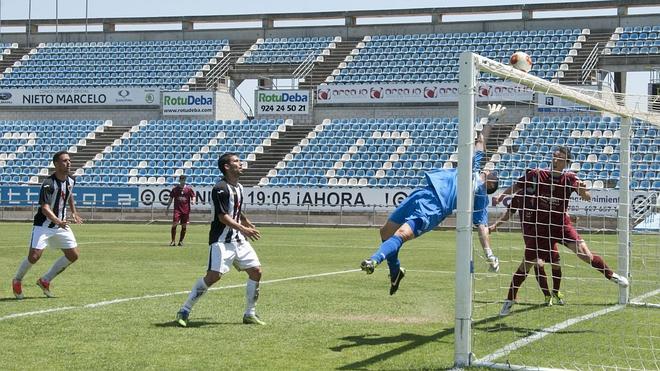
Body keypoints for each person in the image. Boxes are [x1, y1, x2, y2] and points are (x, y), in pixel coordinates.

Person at [360, 104, 504, 295]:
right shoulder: (473, 168)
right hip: (423, 193)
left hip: (435, 208)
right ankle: (395, 272)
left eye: (492, 174)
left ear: (491, 184)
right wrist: (491, 121)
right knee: (385, 232)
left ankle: (374, 260)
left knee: (401, 234)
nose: (489, 170)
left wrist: (489, 254)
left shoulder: (480, 197)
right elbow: (480, 143)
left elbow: (482, 226)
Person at [495, 146, 629, 316]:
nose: (554, 158)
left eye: (559, 157)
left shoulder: (570, 178)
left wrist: (581, 190)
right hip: (540, 229)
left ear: (566, 161)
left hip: (561, 226)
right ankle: (510, 299)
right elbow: (517, 186)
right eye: (553, 156)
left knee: (585, 254)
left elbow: (587, 198)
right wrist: (502, 196)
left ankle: (612, 276)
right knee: (526, 265)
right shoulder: (536, 174)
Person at [175, 153, 265, 327]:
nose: (240, 164)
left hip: (238, 240)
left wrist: (246, 222)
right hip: (222, 241)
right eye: (236, 161)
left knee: (256, 271)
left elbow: (236, 210)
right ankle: (184, 310)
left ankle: (249, 314)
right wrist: (244, 229)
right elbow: (223, 216)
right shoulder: (220, 188)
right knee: (213, 276)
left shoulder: (238, 187)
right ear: (226, 167)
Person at [12, 150, 84, 299]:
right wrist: (58, 221)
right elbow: (45, 209)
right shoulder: (48, 184)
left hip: (61, 225)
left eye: (69, 160)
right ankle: (17, 280)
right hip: (44, 225)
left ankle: (45, 280)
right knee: (34, 256)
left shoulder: (71, 180)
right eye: (65, 161)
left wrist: (74, 212)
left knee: (73, 255)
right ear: (56, 164)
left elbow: (69, 196)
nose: (68, 163)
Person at [489, 190, 564, 315]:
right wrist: (495, 225)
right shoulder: (519, 197)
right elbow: (509, 214)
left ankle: (555, 292)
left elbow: (559, 212)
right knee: (537, 264)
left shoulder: (545, 195)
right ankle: (545, 295)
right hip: (531, 237)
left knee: (556, 263)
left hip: (548, 235)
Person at [166, 174, 196, 246]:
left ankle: (181, 241)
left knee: (184, 226)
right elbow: (170, 198)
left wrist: (193, 201)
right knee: (174, 224)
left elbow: (193, 196)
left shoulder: (188, 189)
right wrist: (167, 207)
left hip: (186, 210)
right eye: (181, 180)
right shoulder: (175, 189)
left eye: (184, 180)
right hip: (177, 210)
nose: (183, 181)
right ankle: (173, 241)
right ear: (179, 180)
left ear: (185, 180)